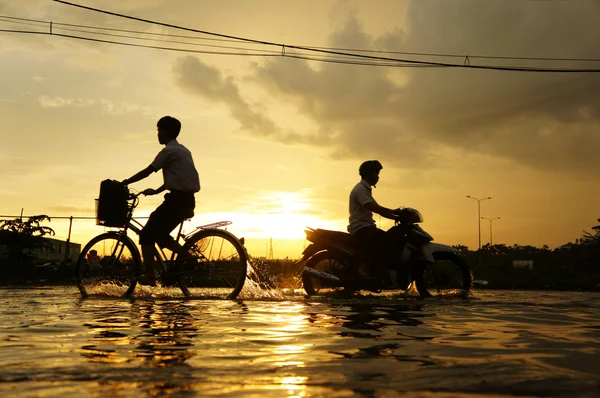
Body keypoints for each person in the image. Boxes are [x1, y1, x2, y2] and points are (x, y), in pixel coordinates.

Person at [122, 116, 200, 286]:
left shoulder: (168, 151)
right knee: (160, 234)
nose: (157, 134)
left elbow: (148, 171)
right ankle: (187, 256)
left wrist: (124, 182)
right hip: (186, 200)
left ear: (165, 132)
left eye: (159, 130)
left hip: (177, 201)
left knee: (146, 234)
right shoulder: (184, 150)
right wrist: (156, 191)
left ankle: (150, 277)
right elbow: (181, 179)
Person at [348, 160, 403, 284]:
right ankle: (369, 270)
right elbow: (374, 207)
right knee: (387, 241)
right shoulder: (360, 189)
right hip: (361, 229)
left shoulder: (365, 189)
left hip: (366, 227)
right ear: (368, 174)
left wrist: (395, 216)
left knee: (390, 237)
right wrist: (394, 212)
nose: (378, 177)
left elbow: (378, 210)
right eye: (376, 173)